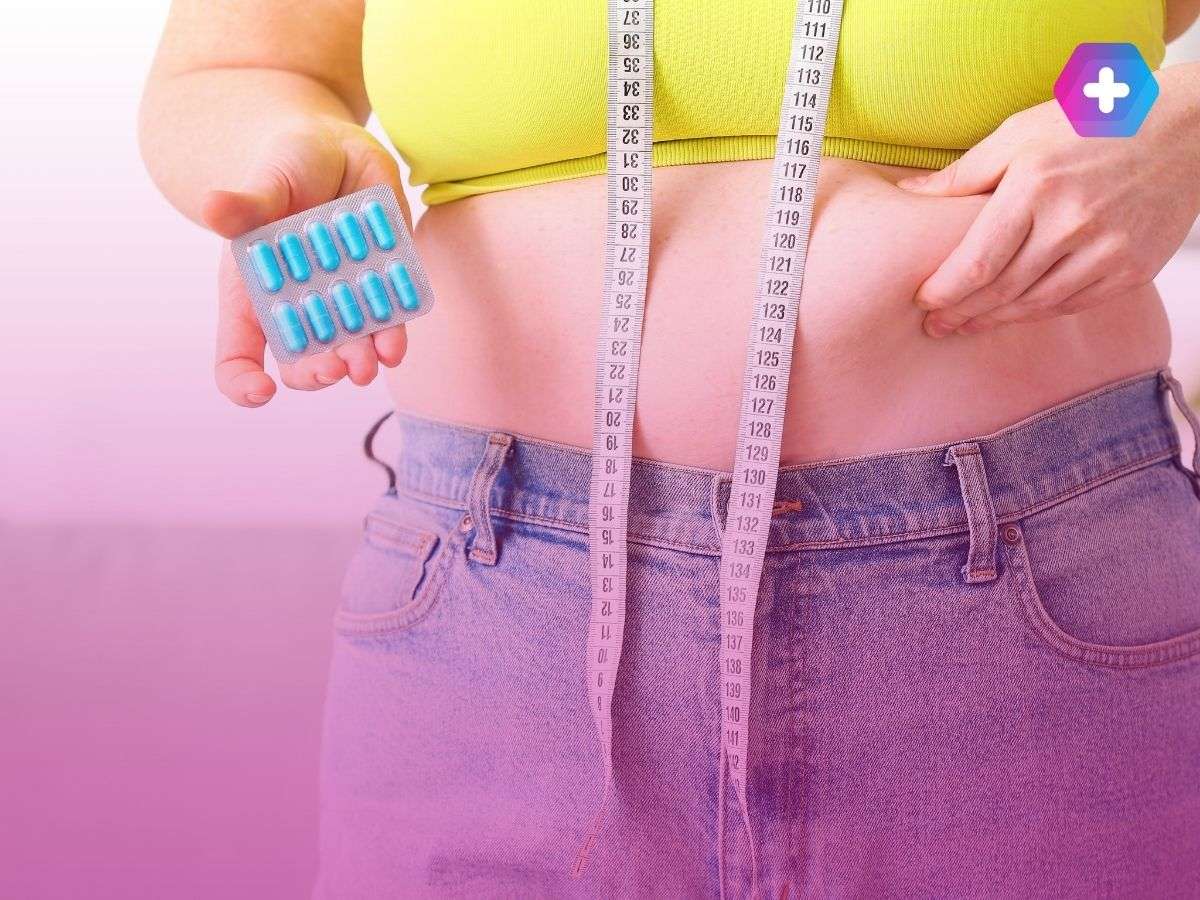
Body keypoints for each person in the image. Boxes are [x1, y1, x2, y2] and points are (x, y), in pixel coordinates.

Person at [140, 2, 1200, 896]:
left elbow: (1140, 51)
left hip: (1028, 603)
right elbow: (243, 64)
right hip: (495, 611)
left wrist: (1163, 126)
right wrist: (284, 153)